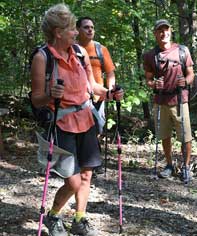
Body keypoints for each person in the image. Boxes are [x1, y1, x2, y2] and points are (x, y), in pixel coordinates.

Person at [31, 4, 123, 236]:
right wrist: (50, 95)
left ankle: (79, 220)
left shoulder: (80, 53)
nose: (76, 32)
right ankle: (53, 216)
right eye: (72, 28)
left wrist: (109, 93)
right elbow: (36, 99)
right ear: (58, 32)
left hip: (86, 119)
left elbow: (92, 86)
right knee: (72, 181)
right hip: (61, 122)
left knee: (86, 174)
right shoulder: (42, 58)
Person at [143, 19, 195, 183]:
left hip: (180, 100)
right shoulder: (150, 55)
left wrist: (185, 81)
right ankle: (169, 165)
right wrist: (154, 84)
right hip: (160, 101)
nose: (163, 33)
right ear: (155, 34)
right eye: (160, 30)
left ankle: (186, 167)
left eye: (166, 30)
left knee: (185, 136)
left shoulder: (182, 50)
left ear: (170, 31)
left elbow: (191, 74)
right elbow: (148, 80)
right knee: (164, 135)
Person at [76, 16, 116, 176]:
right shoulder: (72, 49)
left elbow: (110, 72)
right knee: (84, 129)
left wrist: (110, 91)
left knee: (97, 128)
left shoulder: (100, 49)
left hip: (98, 97)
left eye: (92, 27)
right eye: (86, 27)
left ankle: (92, 160)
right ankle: (88, 162)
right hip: (79, 98)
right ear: (78, 30)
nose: (90, 30)